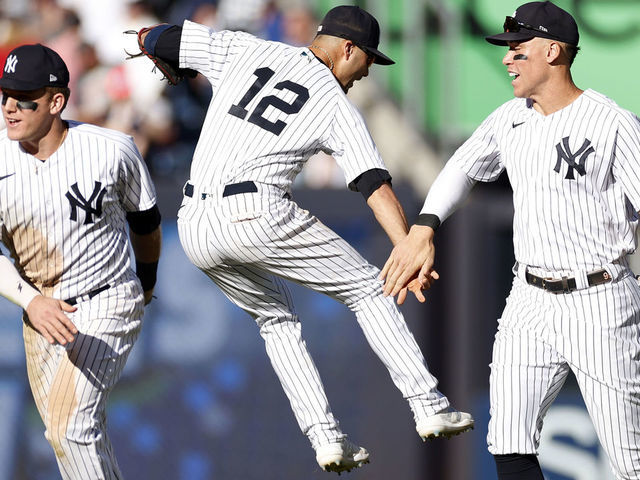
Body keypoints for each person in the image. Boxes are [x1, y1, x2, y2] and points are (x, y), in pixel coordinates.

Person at [130, 4, 473, 474]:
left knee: (275, 320)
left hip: (193, 223)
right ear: (346, 48)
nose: (368, 71)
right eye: (368, 58)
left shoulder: (244, 48)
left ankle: (326, 439)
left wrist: (162, 56)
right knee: (368, 289)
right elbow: (374, 185)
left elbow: (155, 35)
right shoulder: (334, 102)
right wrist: (406, 245)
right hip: (255, 211)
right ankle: (428, 405)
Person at [380, 2, 640, 479]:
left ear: (553, 51)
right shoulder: (509, 118)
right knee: (508, 441)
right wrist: (423, 228)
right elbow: (461, 168)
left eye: (518, 50)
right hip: (530, 299)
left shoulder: (612, 123)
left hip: (601, 298)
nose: (507, 60)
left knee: (630, 461)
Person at [0, 44, 162, 479]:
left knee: (71, 426)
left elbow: (146, 223)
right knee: (65, 430)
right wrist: (31, 301)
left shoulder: (111, 149)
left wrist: (145, 284)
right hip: (41, 309)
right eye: (4, 96)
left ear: (56, 101)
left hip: (106, 297)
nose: (10, 108)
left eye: (24, 98)